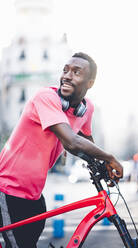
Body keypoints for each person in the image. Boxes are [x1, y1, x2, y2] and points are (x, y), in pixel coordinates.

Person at [0, 52, 123, 248]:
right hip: (7, 190)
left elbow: (85, 139)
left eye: (76, 72)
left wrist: (102, 164)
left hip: (34, 195)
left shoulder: (86, 108)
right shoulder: (45, 97)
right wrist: (110, 157)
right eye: (65, 70)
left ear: (89, 83)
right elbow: (72, 142)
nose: (67, 76)